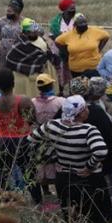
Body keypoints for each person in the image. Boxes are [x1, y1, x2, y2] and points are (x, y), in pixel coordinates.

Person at [29, 95, 112, 223]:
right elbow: (101, 151)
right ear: (80, 113)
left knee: (71, 214)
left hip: (64, 178)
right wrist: (89, 167)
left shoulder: (52, 125)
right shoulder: (89, 130)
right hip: (89, 179)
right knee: (95, 216)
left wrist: (50, 155)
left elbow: (32, 138)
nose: (88, 110)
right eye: (85, 108)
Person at [0, 69, 42, 204]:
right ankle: (38, 202)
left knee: (2, 173)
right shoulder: (23, 101)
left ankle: (3, 202)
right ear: (13, 83)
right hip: (21, 140)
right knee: (29, 173)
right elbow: (32, 119)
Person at [31, 73, 65, 203]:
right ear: (51, 85)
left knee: (42, 163)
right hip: (57, 137)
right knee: (57, 163)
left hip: (40, 136)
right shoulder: (60, 102)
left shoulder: (33, 103)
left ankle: (45, 190)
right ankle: (59, 192)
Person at [6, 19, 59, 98]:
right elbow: (10, 60)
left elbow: (48, 54)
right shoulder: (19, 44)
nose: (35, 33)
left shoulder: (41, 40)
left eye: (35, 31)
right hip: (24, 77)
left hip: (42, 73)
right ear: (25, 32)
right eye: (31, 32)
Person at [49, 0, 82, 91]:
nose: (73, 11)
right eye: (70, 9)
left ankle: (74, 91)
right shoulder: (56, 21)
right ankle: (61, 91)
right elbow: (52, 36)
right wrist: (63, 46)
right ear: (64, 10)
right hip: (59, 50)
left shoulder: (77, 19)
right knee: (60, 72)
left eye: (74, 9)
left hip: (74, 50)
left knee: (73, 73)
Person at [0, 0, 25, 70]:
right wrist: (0, 37)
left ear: (18, 12)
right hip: (3, 54)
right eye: (8, 11)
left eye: (10, 12)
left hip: (18, 53)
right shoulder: (3, 20)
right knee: (2, 74)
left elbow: (38, 31)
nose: (8, 13)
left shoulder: (24, 22)